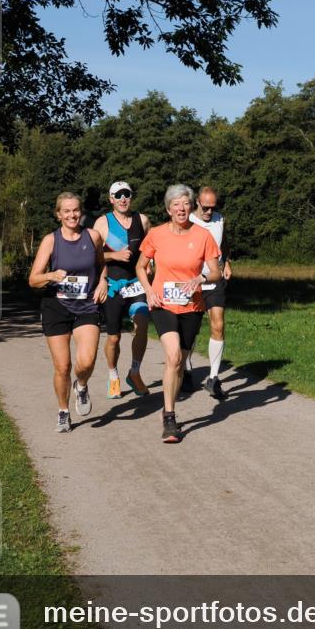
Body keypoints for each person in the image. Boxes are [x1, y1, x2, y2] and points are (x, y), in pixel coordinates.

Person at [136, 184, 221, 443]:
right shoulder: (157, 235)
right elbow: (141, 266)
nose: (181, 208)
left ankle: (168, 404)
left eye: (186, 203)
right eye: (176, 204)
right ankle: (170, 417)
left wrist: (200, 278)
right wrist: (149, 290)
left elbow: (215, 272)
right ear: (168, 209)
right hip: (162, 303)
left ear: (191, 206)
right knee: (172, 357)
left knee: (180, 363)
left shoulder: (203, 235)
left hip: (192, 306)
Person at [29, 192, 106, 433]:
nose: (72, 215)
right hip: (57, 306)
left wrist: (103, 282)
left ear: (80, 212)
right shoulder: (50, 241)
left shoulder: (93, 236)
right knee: (62, 366)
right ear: (58, 214)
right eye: (67, 211)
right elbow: (33, 279)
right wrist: (51, 275)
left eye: (75, 210)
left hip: (87, 305)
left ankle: (81, 385)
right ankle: (63, 411)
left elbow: (102, 266)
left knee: (87, 361)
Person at [93, 181, 151, 399]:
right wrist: (113, 256)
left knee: (142, 324)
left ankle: (134, 373)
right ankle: (113, 375)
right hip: (113, 286)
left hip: (136, 282)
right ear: (111, 199)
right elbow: (93, 255)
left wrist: (150, 266)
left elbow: (151, 248)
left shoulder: (142, 220)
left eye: (127, 194)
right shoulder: (102, 223)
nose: (123, 199)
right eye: (118, 195)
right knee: (114, 338)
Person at [186, 186, 233, 399]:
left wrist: (228, 263)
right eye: (205, 207)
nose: (208, 212)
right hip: (191, 283)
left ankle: (214, 378)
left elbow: (224, 243)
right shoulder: (186, 220)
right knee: (190, 330)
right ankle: (186, 368)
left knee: (218, 324)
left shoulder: (219, 219)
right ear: (197, 202)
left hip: (214, 280)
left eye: (212, 207)